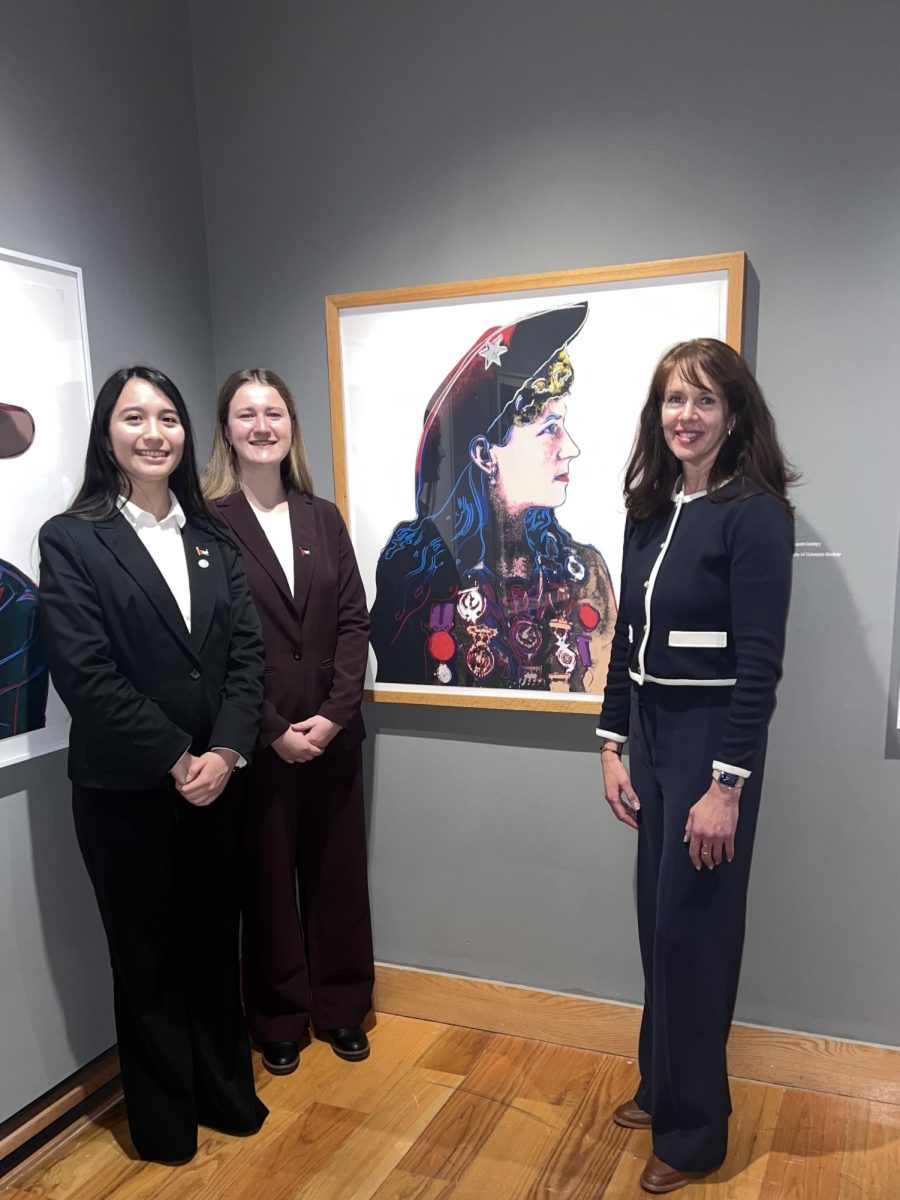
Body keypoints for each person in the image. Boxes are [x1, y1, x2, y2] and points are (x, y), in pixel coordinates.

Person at [38, 366, 267, 1164]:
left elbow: (246, 660)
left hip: (218, 784)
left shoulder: (213, 538)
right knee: (146, 960)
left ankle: (226, 1097)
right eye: (134, 417)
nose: (153, 432)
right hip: (127, 791)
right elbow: (85, 675)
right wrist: (178, 757)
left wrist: (228, 752)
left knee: (213, 944)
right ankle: (166, 1127)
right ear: (108, 435)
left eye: (167, 417)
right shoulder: (72, 539)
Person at [597, 338, 795, 1194]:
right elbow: (623, 643)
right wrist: (611, 745)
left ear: (734, 413)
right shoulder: (649, 508)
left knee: (696, 934)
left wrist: (726, 786)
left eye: (704, 401)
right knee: (655, 923)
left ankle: (696, 1132)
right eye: (675, 399)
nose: (686, 415)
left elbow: (759, 666)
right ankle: (661, 1083)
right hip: (649, 733)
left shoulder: (754, 514)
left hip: (713, 742)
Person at [203, 367, 374, 1076]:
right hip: (258, 739)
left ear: (292, 426)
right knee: (268, 882)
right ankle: (277, 1016)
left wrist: (333, 717)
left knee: (337, 876)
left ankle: (341, 1007)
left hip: (333, 736)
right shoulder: (208, 522)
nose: (262, 425)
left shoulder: (321, 515)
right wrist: (272, 727)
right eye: (247, 414)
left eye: (274, 412)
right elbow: (211, 640)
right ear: (227, 431)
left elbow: (352, 621)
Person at [370, 303, 616, 693]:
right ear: (486, 455)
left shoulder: (585, 573)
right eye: (549, 428)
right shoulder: (418, 568)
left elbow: (603, 693)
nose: (570, 448)